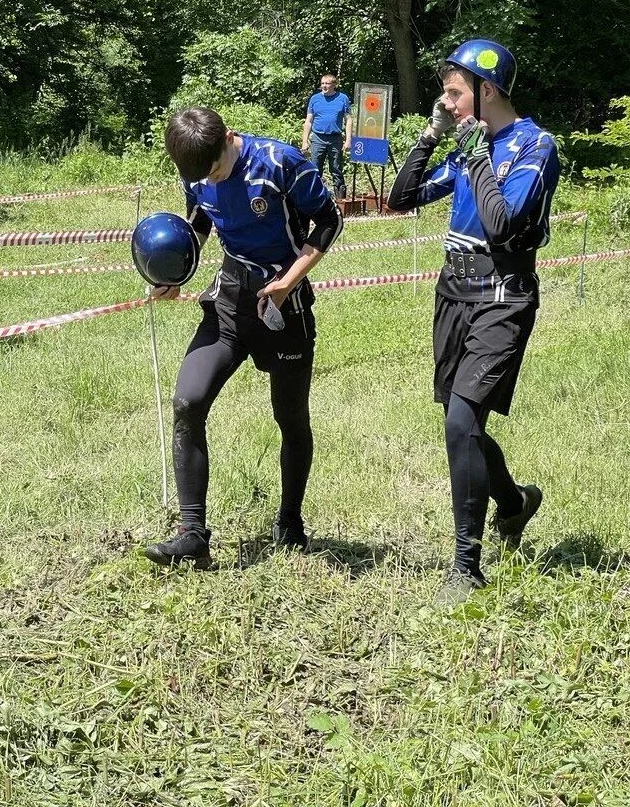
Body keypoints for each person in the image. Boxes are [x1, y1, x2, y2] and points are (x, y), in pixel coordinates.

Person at [386, 39, 560, 604]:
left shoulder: (534, 146)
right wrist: (432, 136)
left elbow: (503, 223)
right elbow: (403, 196)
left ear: (487, 91)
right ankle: (512, 504)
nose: (446, 100)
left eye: (455, 92)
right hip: (452, 291)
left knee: (461, 421)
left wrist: (474, 149)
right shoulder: (466, 144)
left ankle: (466, 565)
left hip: (502, 295)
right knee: (464, 423)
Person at [144, 106, 344, 569]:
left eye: (215, 170)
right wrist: (176, 270)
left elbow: (329, 220)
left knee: (290, 419)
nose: (209, 182)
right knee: (188, 402)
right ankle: (192, 535)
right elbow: (198, 223)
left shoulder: (281, 163)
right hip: (230, 298)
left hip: (282, 304)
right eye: (201, 178)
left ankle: (290, 523)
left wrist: (290, 280)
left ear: (229, 139)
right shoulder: (195, 172)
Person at [301, 73, 351, 199]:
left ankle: (340, 199)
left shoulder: (342, 98)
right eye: (322, 83)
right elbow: (308, 121)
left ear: (334, 85)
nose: (324, 86)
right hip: (318, 138)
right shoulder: (315, 99)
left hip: (336, 138)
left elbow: (348, 120)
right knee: (315, 169)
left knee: (336, 168)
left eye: (327, 83)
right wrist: (304, 141)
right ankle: (315, 197)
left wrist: (348, 140)